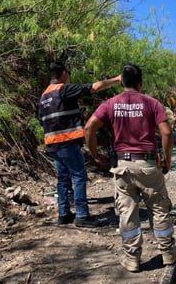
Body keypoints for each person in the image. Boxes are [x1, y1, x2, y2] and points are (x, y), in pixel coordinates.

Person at [84, 64, 176, 272]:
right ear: (141, 83)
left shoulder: (110, 104)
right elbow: (167, 133)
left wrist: (94, 153)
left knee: (127, 213)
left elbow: (89, 127)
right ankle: (168, 253)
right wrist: (167, 158)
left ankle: (132, 259)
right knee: (159, 208)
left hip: (122, 166)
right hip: (147, 164)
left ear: (121, 82)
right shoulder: (152, 103)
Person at [39, 62, 121, 227]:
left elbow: (42, 120)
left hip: (52, 144)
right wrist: (117, 79)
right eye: (68, 74)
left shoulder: (44, 96)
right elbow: (94, 87)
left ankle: (64, 214)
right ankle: (82, 215)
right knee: (79, 176)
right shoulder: (64, 89)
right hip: (67, 142)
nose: (69, 77)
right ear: (63, 74)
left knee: (63, 179)